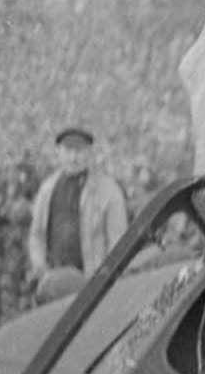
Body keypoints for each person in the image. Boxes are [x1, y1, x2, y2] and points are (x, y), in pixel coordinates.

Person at [27, 127, 129, 301]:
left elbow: (119, 245)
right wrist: (41, 270)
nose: (73, 157)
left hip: (92, 286)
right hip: (54, 285)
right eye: (68, 150)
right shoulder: (47, 189)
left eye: (79, 151)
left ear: (89, 153)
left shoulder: (109, 190)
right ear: (58, 152)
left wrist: (106, 283)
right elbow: (36, 236)